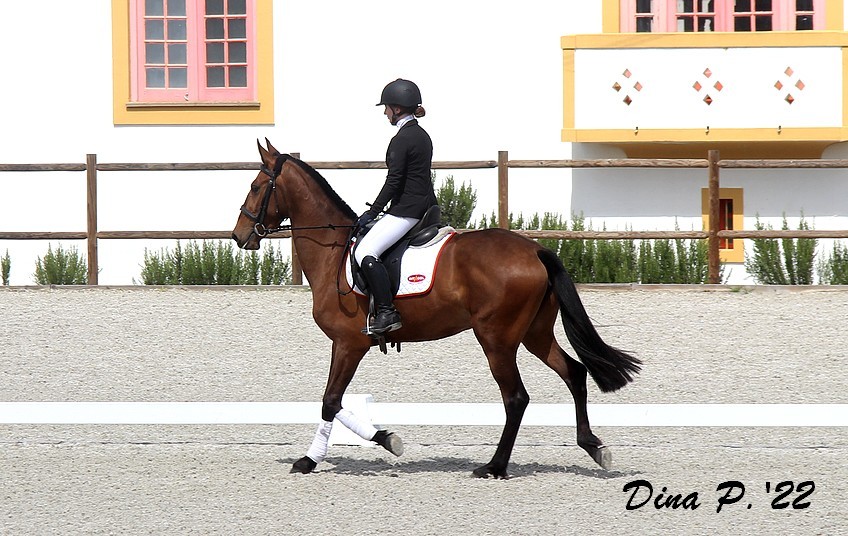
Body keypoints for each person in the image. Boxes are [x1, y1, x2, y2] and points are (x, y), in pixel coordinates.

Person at [354, 78, 438, 336]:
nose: (385, 113)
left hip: (407, 211)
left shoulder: (401, 139)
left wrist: (372, 212)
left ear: (398, 109)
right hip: (425, 206)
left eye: (387, 108)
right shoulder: (421, 135)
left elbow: (394, 181)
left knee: (365, 251)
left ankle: (387, 311)